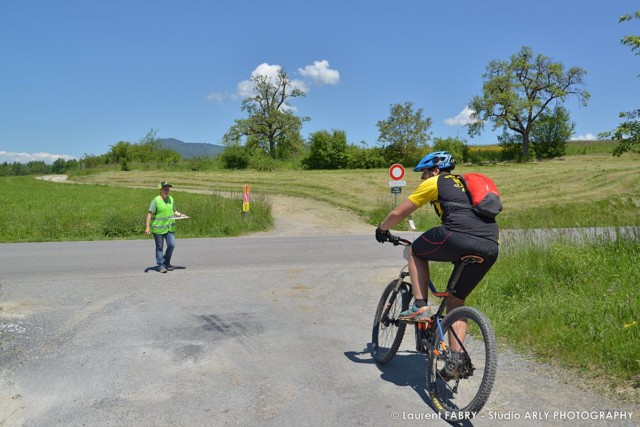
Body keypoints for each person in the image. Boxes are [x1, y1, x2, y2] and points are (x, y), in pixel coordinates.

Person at [375, 151, 499, 349]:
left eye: (424, 173)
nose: (422, 178)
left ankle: (420, 306)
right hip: (491, 244)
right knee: (456, 301)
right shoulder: (466, 184)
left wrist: (382, 229)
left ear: (435, 169)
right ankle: (455, 360)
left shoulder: (435, 182)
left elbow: (400, 212)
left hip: (457, 235)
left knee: (416, 250)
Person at [145, 181, 186, 273]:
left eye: (168, 189)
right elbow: (149, 214)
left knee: (172, 245)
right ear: (160, 190)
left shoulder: (171, 199)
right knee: (159, 247)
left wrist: (181, 215)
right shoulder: (155, 201)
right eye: (165, 189)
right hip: (158, 228)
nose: (167, 190)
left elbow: (174, 211)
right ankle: (161, 266)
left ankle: (166, 262)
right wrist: (147, 227)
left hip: (169, 227)